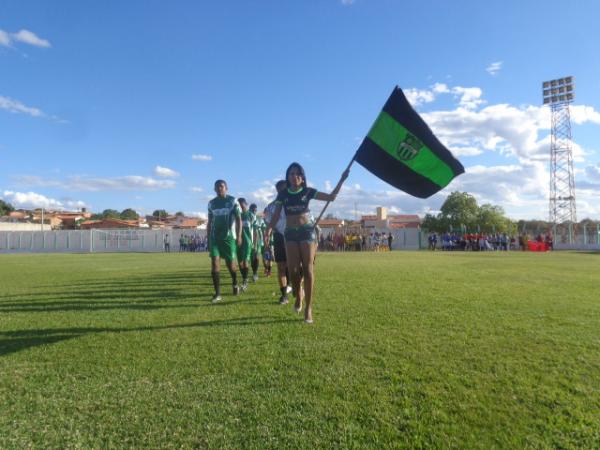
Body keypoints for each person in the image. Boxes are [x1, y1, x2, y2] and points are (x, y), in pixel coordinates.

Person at [265, 162, 348, 324]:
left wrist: (342, 180)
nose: (294, 176)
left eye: (297, 174)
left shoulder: (307, 192)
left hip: (306, 232)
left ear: (302, 178)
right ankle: (298, 294)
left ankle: (308, 309)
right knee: (294, 271)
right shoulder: (282, 194)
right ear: (287, 177)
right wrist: (268, 230)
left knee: (308, 269)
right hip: (289, 233)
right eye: (291, 174)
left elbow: (331, 197)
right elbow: (275, 216)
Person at [206, 180, 242, 303]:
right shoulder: (211, 204)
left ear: (226, 188)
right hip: (215, 238)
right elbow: (209, 222)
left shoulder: (232, 201)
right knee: (215, 263)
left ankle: (235, 282)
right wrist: (208, 239)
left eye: (221, 186)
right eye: (217, 187)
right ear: (214, 189)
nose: (219, 188)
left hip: (229, 238)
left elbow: (239, 220)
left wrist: (239, 236)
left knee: (230, 265)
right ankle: (217, 294)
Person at [264, 180, 292, 304]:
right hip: (279, 237)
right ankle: (284, 295)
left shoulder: (293, 202)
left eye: (285, 188)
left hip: (294, 236)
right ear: (277, 190)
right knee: (281, 266)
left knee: (294, 266)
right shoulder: (271, 206)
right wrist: (269, 234)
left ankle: (293, 285)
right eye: (280, 189)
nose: (283, 191)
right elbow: (270, 222)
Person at [237, 198, 256, 291]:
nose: (240, 206)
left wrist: (255, 243)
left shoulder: (251, 215)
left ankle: (245, 281)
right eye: (239, 205)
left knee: (245, 261)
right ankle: (245, 278)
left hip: (248, 242)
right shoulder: (238, 215)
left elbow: (255, 230)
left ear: (245, 204)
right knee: (240, 263)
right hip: (238, 242)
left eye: (242, 204)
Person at [249, 203, 263, 282]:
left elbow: (258, 230)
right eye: (253, 210)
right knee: (252, 258)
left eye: (255, 210)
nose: (254, 211)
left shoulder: (258, 218)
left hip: (258, 240)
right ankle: (254, 272)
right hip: (250, 239)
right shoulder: (249, 216)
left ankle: (255, 273)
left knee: (257, 257)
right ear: (250, 209)